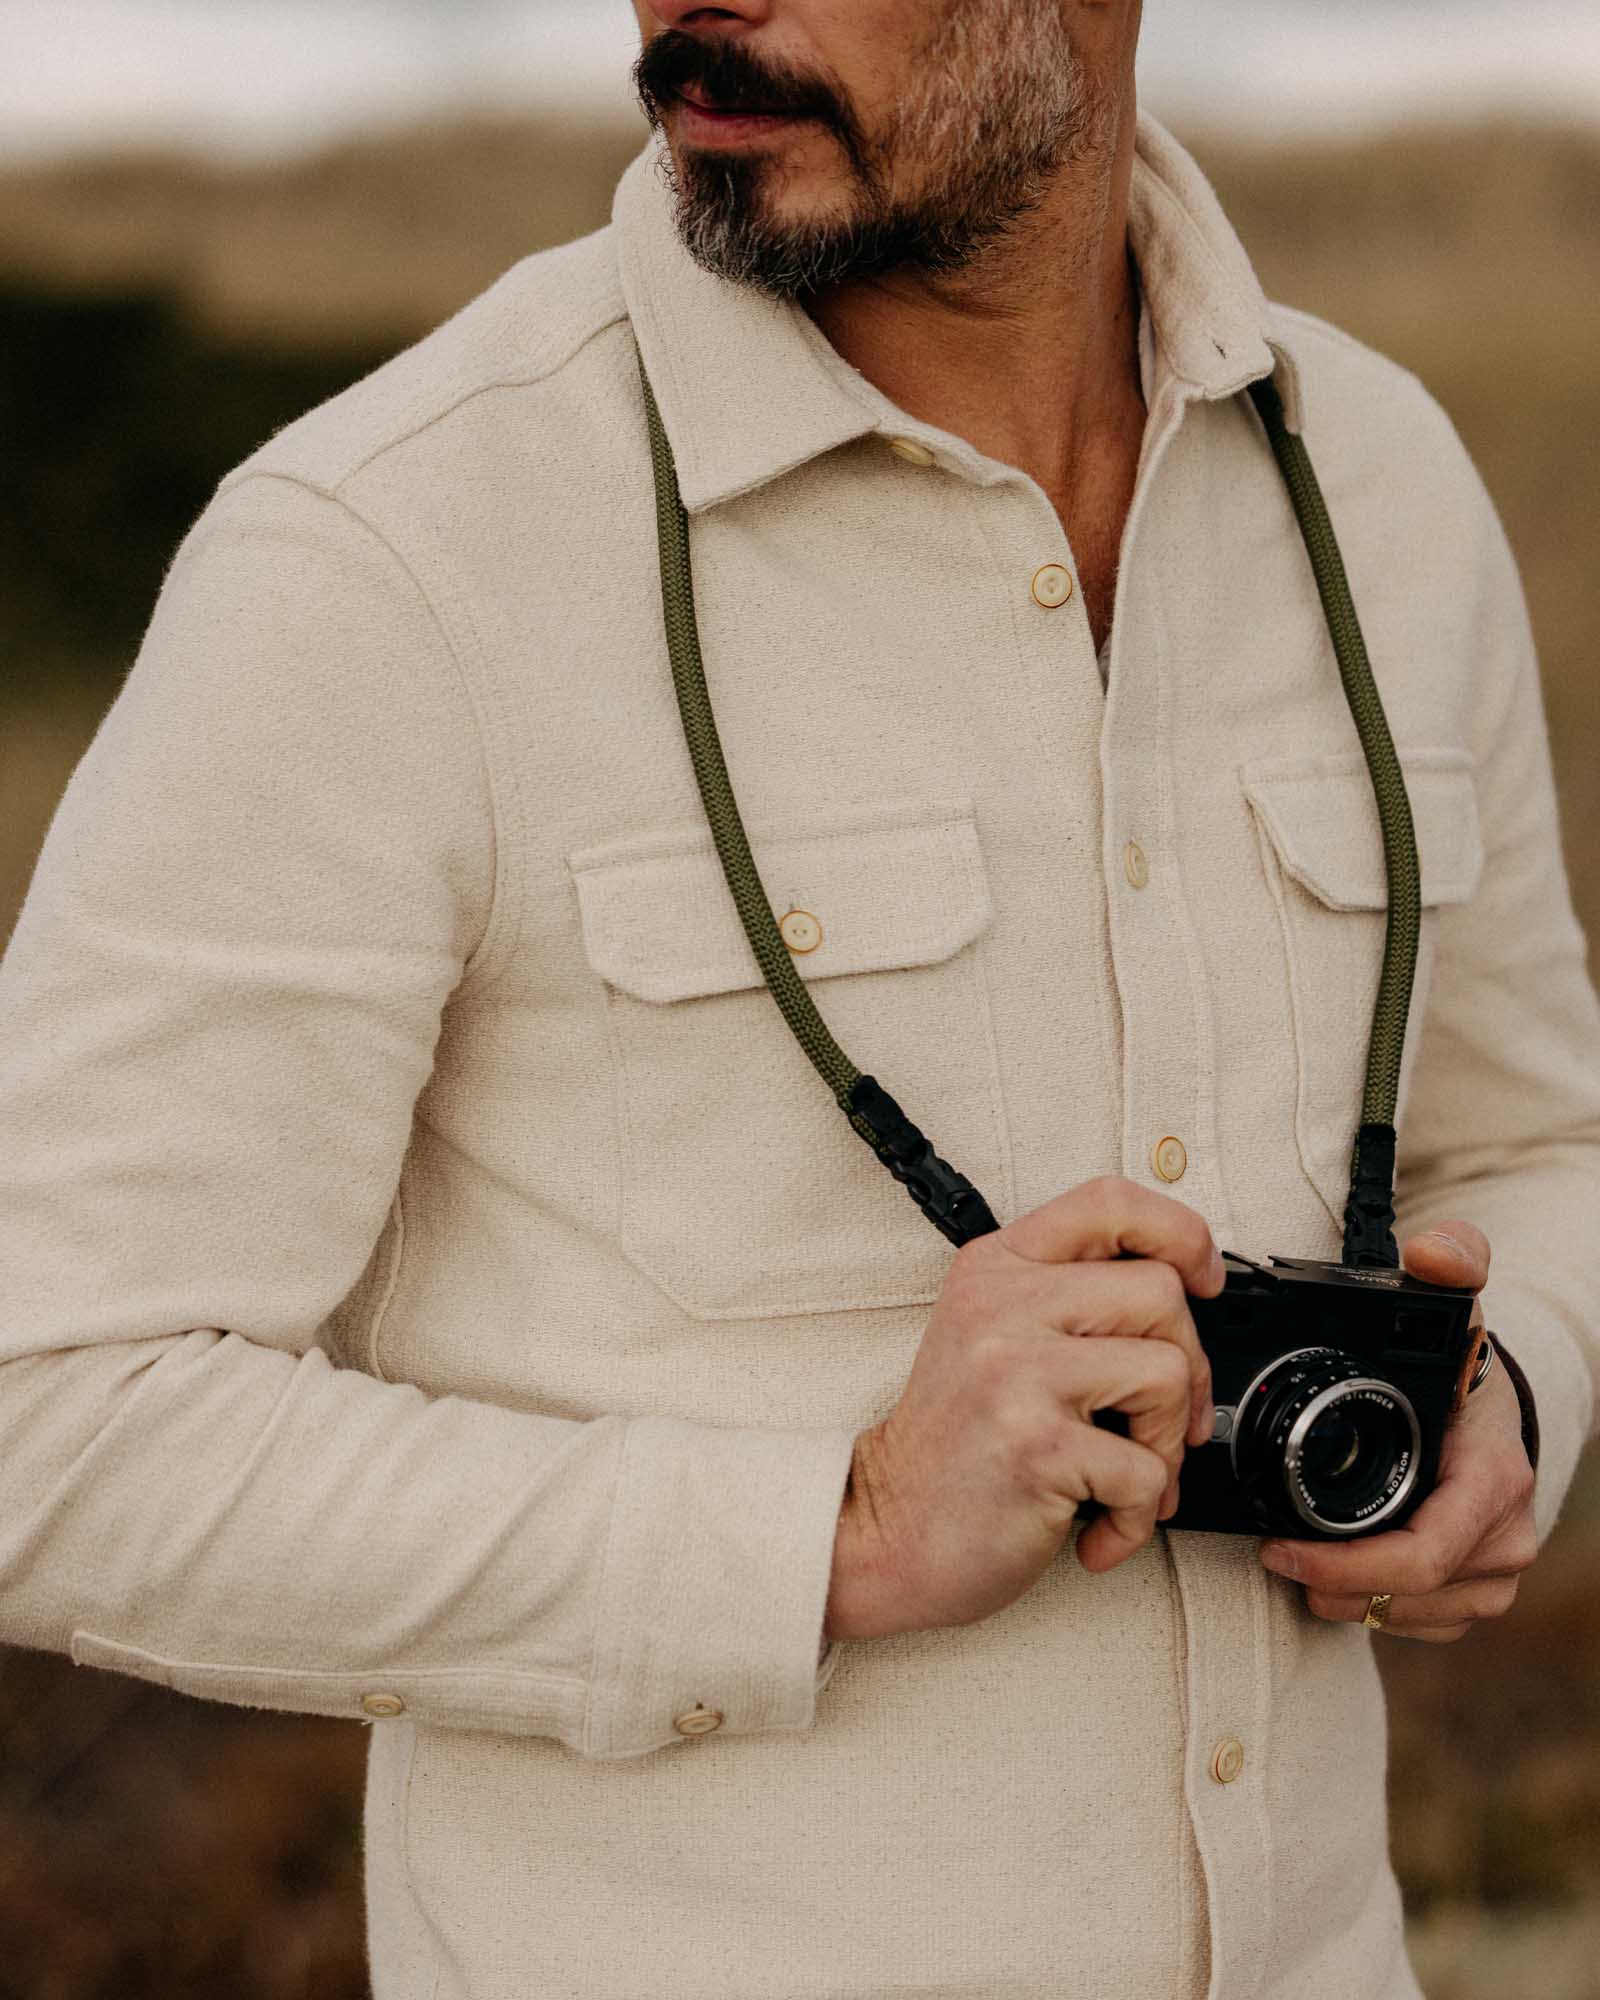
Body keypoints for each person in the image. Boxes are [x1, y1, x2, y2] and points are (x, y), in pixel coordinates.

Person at [1, 1, 1597, 1994]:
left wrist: (1512, 1389)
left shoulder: (1382, 484)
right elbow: (44, 1414)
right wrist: (832, 1531)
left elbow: (1534, 1140)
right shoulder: (386, 550)